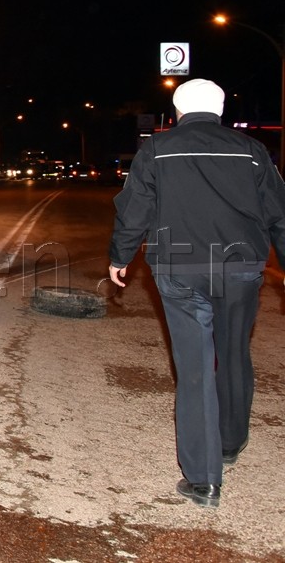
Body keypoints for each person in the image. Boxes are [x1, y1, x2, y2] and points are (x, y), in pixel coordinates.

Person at [109, 78, 285, 510]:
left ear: (176, 111)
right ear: (222, 108)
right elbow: (278, 211)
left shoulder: (157, 149)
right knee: (234, 351)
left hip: (180, 268)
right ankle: (230, 442)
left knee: (195, 367)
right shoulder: (252, 151)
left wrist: (121, 256)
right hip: (241, 268)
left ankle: (204, 479)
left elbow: (135, 208)